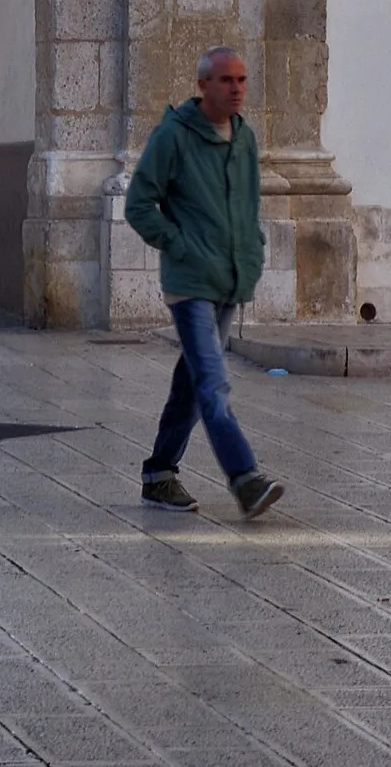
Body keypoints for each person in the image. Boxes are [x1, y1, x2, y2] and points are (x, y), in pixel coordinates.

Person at [124, 45, 283, 522]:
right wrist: (180, 244)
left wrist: (251, 252)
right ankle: (245, 479)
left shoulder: (244, 138)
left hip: (228, 279)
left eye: (241, 80)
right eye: (225, 80)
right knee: (213, 384)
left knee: (192, 385)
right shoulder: (173, 136)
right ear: (203, 86)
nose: (236, 89)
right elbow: (138, 204)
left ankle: (158, 475)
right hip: (190, 281)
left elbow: (249, 206)